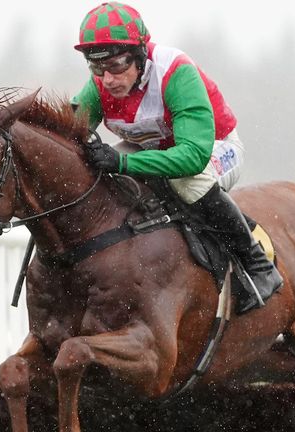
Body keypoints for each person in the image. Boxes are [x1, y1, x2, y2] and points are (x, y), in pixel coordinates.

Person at [71, 2, 282, 314]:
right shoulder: (102, 81)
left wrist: (124, 163)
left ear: (140, 54)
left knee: (184, 181)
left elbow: (192, 158)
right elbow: (69, 129)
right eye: (97, 67)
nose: (108, 79)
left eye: (116, 66)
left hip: (213, 149)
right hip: (156, 149)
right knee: (101, 174)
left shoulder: (175, 72)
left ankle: (257, 264)